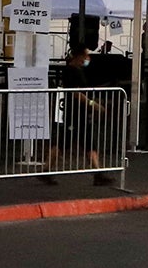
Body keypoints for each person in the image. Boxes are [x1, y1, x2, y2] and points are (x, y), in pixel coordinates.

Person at [45, 45, 112, 185]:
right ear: (78, 56)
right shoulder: (70, 71)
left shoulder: (79, 71)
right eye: (85, 55)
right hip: (73, 113)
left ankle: (98, 173)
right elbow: (75, 93)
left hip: (81, 113)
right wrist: (93, 104)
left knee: (88, 143)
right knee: (63, 143)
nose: (87, 59)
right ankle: (46, 170)